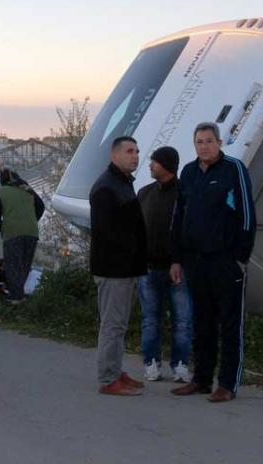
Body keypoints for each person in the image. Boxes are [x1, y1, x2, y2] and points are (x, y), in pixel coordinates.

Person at [170, 122, 256, 403]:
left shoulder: (234, 169)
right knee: (202, 322)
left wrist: (240, 258)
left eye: (208, 141)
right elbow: (179, 216)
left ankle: (228, 383)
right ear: (193, 145)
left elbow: (247, 216)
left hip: (226, 261)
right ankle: (202, 379)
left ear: (219, 143)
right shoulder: (189, 172)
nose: (204, 146)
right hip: (195, 261)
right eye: (199, 142)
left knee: (230, 324)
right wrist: (176, 258)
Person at [89, 136, 148, 396]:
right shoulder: (106, 187)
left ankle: (116, 370)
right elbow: (108, 233)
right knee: (112, 325)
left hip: (126, 267)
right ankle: (108, 378)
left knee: (119, 324)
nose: (135, 155)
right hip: (114, 269)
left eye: (136, 151)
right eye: (129, 151)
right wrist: (130, 252)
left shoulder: (122, 183)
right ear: (115, 155)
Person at [137, 146, 192, 383]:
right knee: (150, 319)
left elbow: (189, 230)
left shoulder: (185, 193)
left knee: (183, 319)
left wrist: (179, 260)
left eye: (154, 161)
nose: (150, 165)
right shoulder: (145, 193)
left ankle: (180, 364)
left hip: (178, 268)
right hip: (148, 268)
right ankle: (151, 362)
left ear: (167, 164)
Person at [0, 168, 44, 302]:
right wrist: (31, 220)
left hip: (12, 232)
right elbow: (41, 206)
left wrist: (3, 228)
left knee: (12, 265)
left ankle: (15, 298)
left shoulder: (1, 192)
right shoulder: (27, 190)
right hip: (31, 232)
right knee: (24, 265)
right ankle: (19, 295)